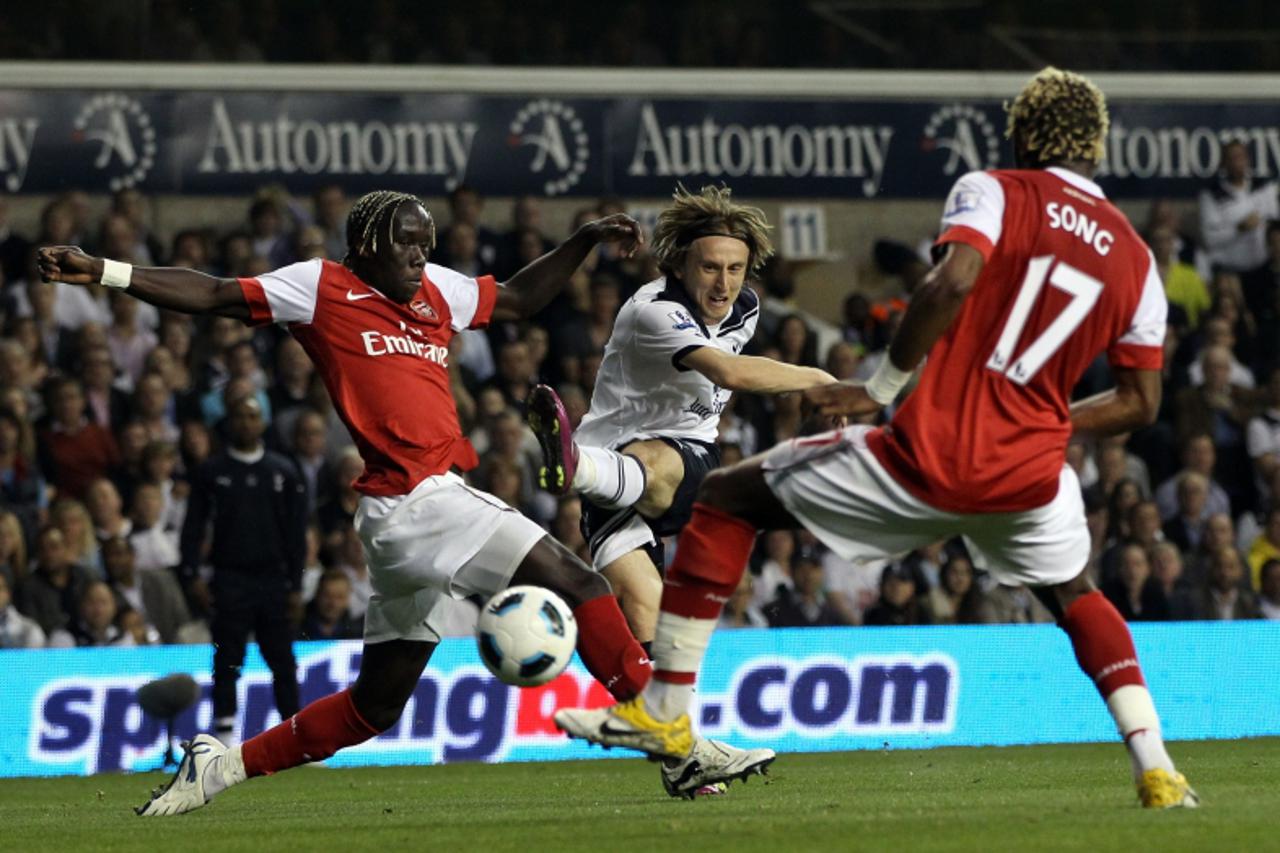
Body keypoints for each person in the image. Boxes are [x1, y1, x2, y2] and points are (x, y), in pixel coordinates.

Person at [554, 67, 1199, 809]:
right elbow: (1142, 403)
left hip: (932, 452)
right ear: (1098, 146)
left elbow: (951, 281)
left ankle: (667, 708)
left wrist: (880, 387)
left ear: (1022, 134)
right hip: (1032, 471)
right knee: (1075, 593)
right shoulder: (1139, 258)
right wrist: (1044, 422)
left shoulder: (994, 191)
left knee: (729, 496)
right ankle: (1157, 766)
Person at [39, 189, 724, 814]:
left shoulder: (435, 289)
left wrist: (581, 240)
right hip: (416, 497)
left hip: (411, 514)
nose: (420, 255)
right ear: (365, 245)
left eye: (426, 242)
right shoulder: (320, 285)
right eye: (406, 242)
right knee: (580, 583)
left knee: (375, 706)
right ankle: (675, 739)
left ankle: (220, 767)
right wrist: (105, 271)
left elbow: (517, 298)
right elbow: (216, 293)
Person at [179, 394, 309, 745]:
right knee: (227, 658)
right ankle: (224, 735)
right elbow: (193, 527)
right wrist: (192, 574)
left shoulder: (282, 471)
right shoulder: (211, 472)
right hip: (229, 578)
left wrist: (296, 585)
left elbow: (296, 534)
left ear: (262, 422)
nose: (246, 423)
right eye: (239, 416)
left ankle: (293, 736)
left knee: (283, 660)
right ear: (229, 422)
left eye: (252, 416)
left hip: (273, 579)